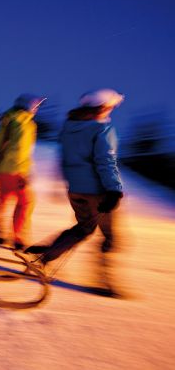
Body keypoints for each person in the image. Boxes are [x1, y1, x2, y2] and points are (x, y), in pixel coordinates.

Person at [26, 89, 124, 289]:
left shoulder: (70, 128)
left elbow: (64, 159)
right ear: (103, 107)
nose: (112, 110)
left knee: (83, 228)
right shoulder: (102, 129)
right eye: (111, 106)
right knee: (110, 237)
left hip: (76, 190)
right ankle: (105, 283)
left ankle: (45, 257)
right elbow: (106, 160)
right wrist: (113, 189)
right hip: (99, 191)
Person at [0, 93, 46, 250]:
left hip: (4, 169)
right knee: (26, 201)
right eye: (36, 106)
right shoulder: (22, 122)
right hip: (15, 169)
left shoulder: (12, 119)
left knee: (4, 198)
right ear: (28, 105)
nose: (37, 109)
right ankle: (18, 237)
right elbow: (18, 150)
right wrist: (22, 172)